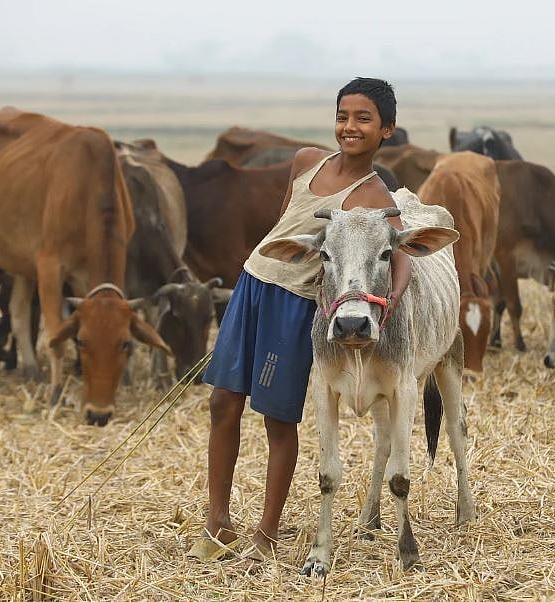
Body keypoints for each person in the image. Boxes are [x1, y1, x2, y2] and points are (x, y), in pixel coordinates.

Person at [189, 77, 412, 561]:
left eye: (363, 119)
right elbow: (284, 221)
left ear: (387, 130)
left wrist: (388, 301)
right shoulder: (306, 160)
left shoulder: (375, 197)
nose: (349, 127)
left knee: (277, 416)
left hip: (294, 305)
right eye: (343, 116)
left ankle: (266, 535)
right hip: (251, 283)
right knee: (223, 403)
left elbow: (402, 257)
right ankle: (217, 522)